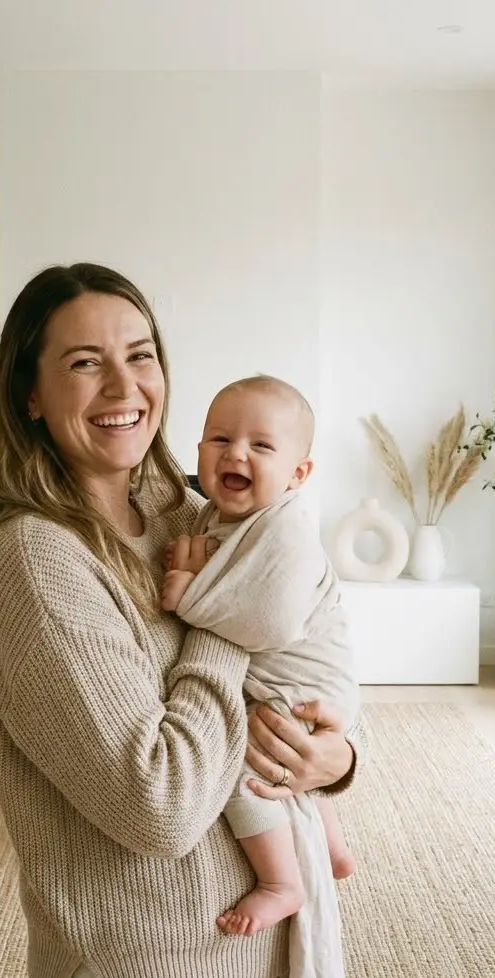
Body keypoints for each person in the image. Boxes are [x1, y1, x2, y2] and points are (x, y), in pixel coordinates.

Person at [0, 262, 366, 978]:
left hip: (270, 949)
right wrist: (221, 623)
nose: (124, 388)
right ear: (30, 396)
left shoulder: (185, 511)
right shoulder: (35, 561)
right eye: (85, 364)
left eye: (140, 355)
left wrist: (339, 756)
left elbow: (312, 641)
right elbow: (161, 807)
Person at [160, 375, 360, 942]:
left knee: (246, 767)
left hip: (304, 680)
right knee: (284, 754)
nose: (235, 453)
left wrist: (186, 596)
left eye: (262, 446)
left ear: (299, 474)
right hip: (298, 680)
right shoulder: (214, 516)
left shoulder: (287, 528)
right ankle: (332, 845)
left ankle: (280, 882)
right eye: (218, 439)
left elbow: (267, 622)